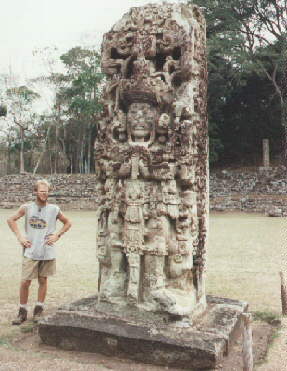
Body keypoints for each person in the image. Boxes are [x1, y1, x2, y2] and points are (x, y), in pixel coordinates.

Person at [7, 179, 71, 325]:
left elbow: (68, 222)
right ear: (35, 192)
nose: (44, 194)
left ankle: (38, 310)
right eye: (41, 191)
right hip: (30, 250)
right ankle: (22, 312)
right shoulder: (27, 208)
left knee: (43, 280)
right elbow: (11, 220)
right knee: (25, 282)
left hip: (47, 251)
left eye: (46, 191)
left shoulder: (54, 209)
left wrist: (57, 235)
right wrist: (20, 237)